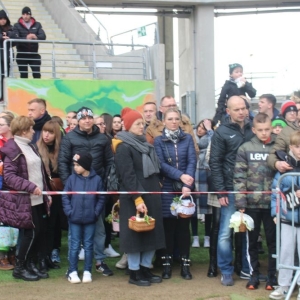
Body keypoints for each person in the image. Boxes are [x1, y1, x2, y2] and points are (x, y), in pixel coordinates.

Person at [58, 106, 114, 276]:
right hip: (75, 189)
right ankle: (72, 267)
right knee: (74, 231)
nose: (87, 121)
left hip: (96, 187)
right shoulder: (70, 138)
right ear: (78, 120)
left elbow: (110, 161)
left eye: (89, 118)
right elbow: (63, 162)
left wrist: (104, 183)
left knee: (98, 228)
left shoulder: (103, 138)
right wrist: (70, 186)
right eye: (83, 118)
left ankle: (99, 261)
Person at [113, 107, 164, 286]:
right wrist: (138, 198)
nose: (141, 126)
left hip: (152, 194)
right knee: (135, 235)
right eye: (137, 123)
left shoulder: (146, 144)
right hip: (135, 197)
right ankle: (134, 273)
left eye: (142, 123)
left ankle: (145, 269)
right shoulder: (122, 147)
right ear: (128, 126)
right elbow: (128, 176)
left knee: (151, 233)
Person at [210, 96, 254, 286]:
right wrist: (220, 191)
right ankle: (226, 271)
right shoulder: (221, 132)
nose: (241, 112)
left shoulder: (254, 129)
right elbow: (215, 162)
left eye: (243, 108)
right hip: (228, 189)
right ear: (228, 111)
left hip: (251, 189)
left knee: (248, 230)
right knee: (225, 233)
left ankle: (245, 268)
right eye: (237, 109)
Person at [0, 116, 50, 281]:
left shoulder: (30, 147)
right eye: (31, 129)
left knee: (37, 232)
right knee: (29, 234)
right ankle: (20, 268)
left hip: (37, 199)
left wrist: (46, 192)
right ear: (23, 130)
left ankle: (29, 264)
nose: (33, 131)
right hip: (24, 200)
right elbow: (9, 177)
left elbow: (40, 172)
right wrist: (30, 187)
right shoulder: (13, 149)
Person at [234, 113, 277, 290]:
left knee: (273, 242)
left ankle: (272, 277)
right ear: (254, 130)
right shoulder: (245, 148)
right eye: (260, 130)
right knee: (251, 242)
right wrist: (241, 203)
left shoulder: (277, 148)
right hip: (251, 205)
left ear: (272, 128)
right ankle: (253, 276)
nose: (264, 133)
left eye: (267, 129)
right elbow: (239, 177)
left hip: (272, 206)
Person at [154, 108, 197, 280]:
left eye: (176, 119)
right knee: (168, 228)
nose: (173, 121)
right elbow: (161, 164)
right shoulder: (158, 141)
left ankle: (185, 265)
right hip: (167, 188)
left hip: (186, 187)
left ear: (180, 120)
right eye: (170, 119)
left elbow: (192, 160)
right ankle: (167, 265)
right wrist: (180, 175)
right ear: (164, 121)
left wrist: (188, 182)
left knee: (183, 228)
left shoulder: (187, 138)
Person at [62, 152, 106, 284]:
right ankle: (72, 271)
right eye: (74, 164)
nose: (75, 167)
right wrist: (69, 212)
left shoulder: (97, 180)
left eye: (77, 165)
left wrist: (95, 213)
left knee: (88, 245)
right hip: (74, 219)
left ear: (85, 165)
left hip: (90, 219)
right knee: (74, 245)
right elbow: (65, 196)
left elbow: (101, 198)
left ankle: (88, 271)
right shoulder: (71, 179)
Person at [269, 131, 300, 299]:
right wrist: (275, 212)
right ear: (291, 148)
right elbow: (276, 191)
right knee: (286, 251)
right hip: (288, 218)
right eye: (296, 146)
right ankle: (283, 286)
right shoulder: (283, 168)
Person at [36, 120, 62, 268]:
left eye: (51, 132)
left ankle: (50, 254)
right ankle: (42, 256)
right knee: (42, 225)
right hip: (41, 191)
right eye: (45, 131)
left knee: (53, 224)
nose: (46, 135)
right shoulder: (37, 149)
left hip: (56, 192)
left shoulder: (61, 151)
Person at [192, 119, 215, 248]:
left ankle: (207, 237)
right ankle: (195, 237)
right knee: (193, 208)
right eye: (199, 127)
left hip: (206, 176)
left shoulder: (210, 139)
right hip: (195, 175)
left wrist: (210, 129)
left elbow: (215, 143)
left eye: (204, 128)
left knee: (208, 209)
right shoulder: (193, 139)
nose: (200, 130)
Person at [14, 7, 46, 78]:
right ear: (22, 15)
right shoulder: (17, 25)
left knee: (37, 75)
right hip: (22, 54)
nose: (25, 16)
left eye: (27, 14)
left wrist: (35, 36)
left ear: (30, 15)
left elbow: (43, 36)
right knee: (24, 75)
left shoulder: (37, 24)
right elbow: (15, 38)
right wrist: (26, 38)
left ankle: (36, 88)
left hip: (34, 54)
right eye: (23, 14)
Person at [268, 100, 299, 173]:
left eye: (295, 111)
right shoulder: (284, 131)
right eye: (289, 111)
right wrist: (277, 164)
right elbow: (273, 154)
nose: (292, 113)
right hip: (293, 173)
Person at [0, 113, 14, 270]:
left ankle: (12, 253)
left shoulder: (15, 143)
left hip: (13, 187)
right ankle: (2, 256)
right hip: (1, 185)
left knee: (12, 221)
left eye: (1, 124)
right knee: (2, 221)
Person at [0, 10, 17, 101]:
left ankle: (3, 95)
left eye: (4, 19)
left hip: (6, 56)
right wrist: (2, 37)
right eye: (1, 19)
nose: (3, 21)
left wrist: (8, 35)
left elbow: (15, 36)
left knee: (5, 76)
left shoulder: (10, 28)